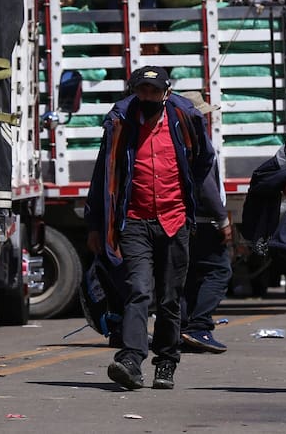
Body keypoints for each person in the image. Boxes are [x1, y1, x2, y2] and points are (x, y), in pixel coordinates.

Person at [85, 67, 219, 390]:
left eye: (153, 92)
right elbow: (103, 174)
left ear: (166, 93)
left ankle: (167, 361)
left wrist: (190, 200)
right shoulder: (120, 124)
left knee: (171, 297)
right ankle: (131, 358)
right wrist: (94, 223)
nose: (147, 97)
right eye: (142, 91)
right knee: (139, 291)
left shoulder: (183, 121)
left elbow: (203, 160)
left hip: (174, 220)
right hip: (134, 221)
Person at [177, 93, 232, 354]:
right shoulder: (197, 142)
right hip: (202, 220)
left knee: (189, 276)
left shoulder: (175, 140)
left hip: (182, 221)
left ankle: (184, 328)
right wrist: (222, 219)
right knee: (219, 271)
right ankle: (198, 326)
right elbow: (207, 189)